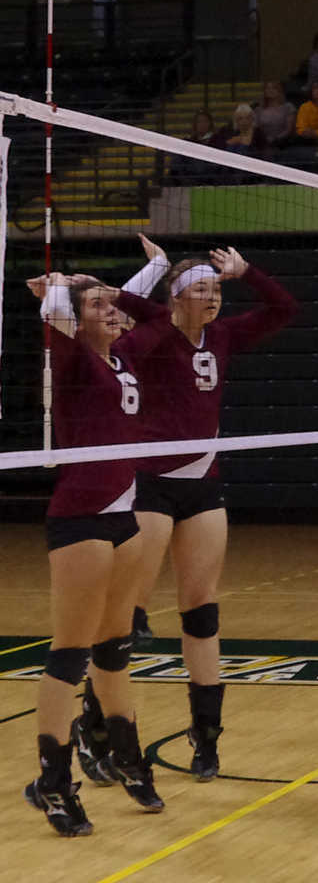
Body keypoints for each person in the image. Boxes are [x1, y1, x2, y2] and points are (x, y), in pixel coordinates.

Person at [113, 248, 298, 781]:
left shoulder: (221, 338)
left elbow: (283, 308)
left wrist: (247, 273)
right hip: (148, 482)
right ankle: (99, 723)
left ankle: (206, 735)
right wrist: (149, 290)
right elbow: (126, 321)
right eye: (202, 289)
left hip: (202, 487)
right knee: (130, 614)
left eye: (217, 291)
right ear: (175, 296)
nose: (213, 298)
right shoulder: (151, 336)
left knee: (201, 612)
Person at [22, 268, 169, 836]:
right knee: (70, 654)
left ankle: (127, 758)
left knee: (114, 649)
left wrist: (103, 287)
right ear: (77, 320)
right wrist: (60, 288)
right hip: (81, 517)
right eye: (99, 306)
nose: (113, 311)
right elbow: (56, 322)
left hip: (124, 519)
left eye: (114, 304)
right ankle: (54, 784)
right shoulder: (73, 360)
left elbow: (157, 318)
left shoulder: (124, 355)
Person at [254, 81, 296, 151]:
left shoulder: (288, 107)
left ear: (279, 91)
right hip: (263, 144)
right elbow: (256, 128)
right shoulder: (258, 110)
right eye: (268, 88)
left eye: (274, 88)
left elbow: (289, 130)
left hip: (283, 143)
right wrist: (265, 139)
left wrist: (275, 139)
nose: (270, 90)